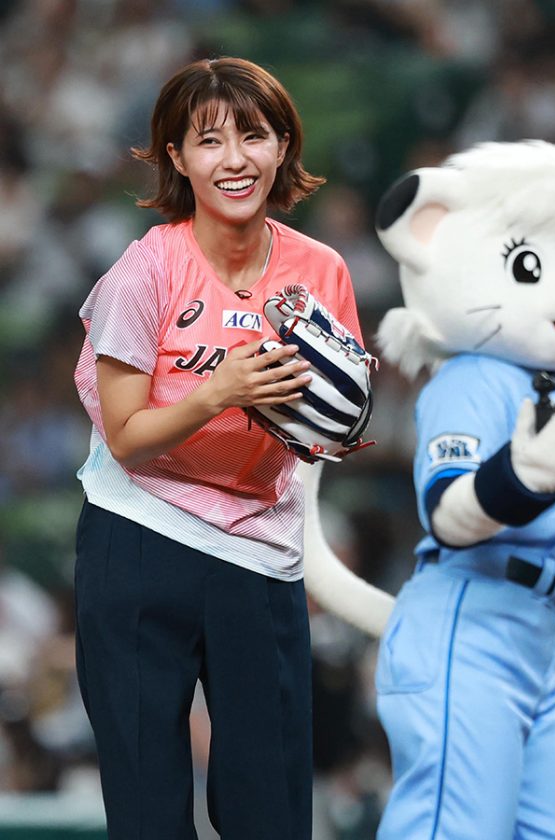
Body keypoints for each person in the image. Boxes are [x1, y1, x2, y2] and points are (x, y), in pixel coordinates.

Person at [73, 56, 368, 840]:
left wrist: (331, 430)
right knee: (147, 811)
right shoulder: (145, 270)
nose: (234, 159)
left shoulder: (322, 271)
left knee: (271, 811)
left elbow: (330, 429)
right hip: (139, 538)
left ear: (283, 146)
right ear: (176, 157)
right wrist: (218, 391)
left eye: (254, 136)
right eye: (209, 141)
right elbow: (127, 439)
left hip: (259, 554)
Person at [373, 140, 555, 840]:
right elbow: (449, 515)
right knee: (456, 827)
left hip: (547, 632)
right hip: (473, 618)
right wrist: (522, 476)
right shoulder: (477, 377)